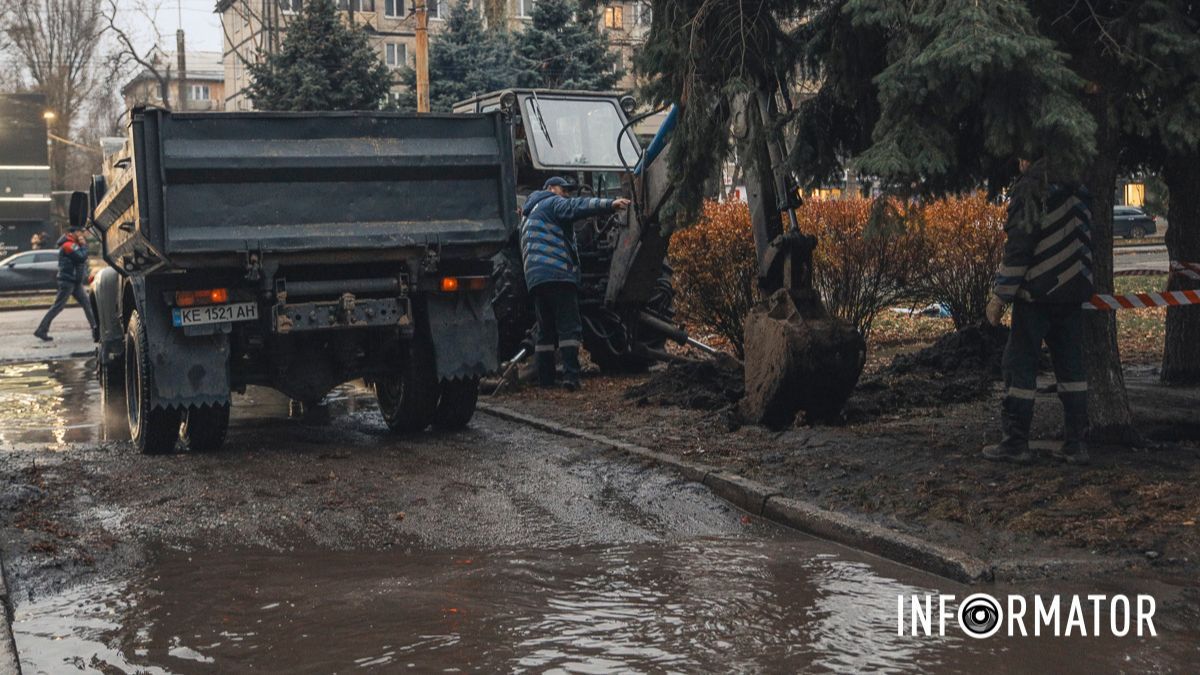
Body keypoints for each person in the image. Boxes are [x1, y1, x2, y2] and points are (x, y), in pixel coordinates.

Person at [983, 157, 1094, 465]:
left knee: (1019, 365)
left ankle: (1015, 442)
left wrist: (999, 296)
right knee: (1072, 368)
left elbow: (1019, 246)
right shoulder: (1080, 187)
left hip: (1037, 294)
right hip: (1072, 294)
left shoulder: (1032, 188)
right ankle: (1077, 444)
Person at [520, 177, 630, 390]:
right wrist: (610, 204)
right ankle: (571, 377)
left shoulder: (528, 213)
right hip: (558, 275)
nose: (567, 195)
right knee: (568, 327)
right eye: (564, 190)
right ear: (550, 188)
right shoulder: (552, 201)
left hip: (535, 278)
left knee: (545, 331)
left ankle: (546, 380)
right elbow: (576, 207)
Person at [34, 227, 97, 342]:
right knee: (58, 306)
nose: (81, 234)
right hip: (68, 281)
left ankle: (96, 331)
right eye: (79, 232)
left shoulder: (73, 244)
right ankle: (41, 330)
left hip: (74, 282)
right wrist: (83, 245)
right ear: (71, 233)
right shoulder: (68, 245)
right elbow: (81, 257)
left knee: (87, 304)